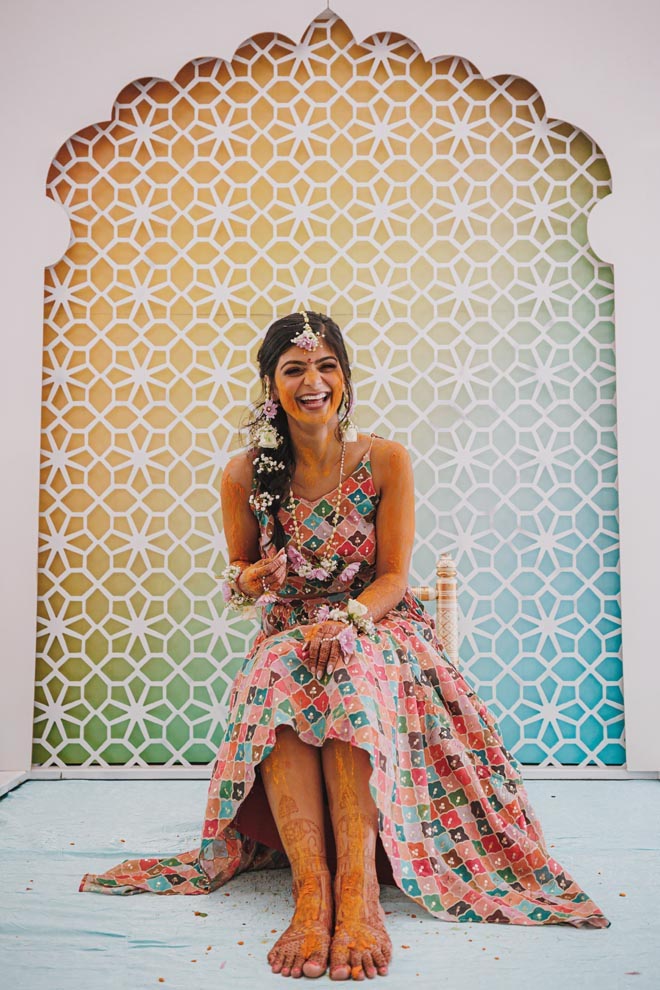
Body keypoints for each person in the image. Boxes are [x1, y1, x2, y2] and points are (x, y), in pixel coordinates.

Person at [80, 310, 611, 980]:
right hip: (292, 634)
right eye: (295, 368)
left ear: (345, 379)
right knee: (283, 664)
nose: (313, 380)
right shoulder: (245, 475)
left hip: (379, 627)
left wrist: (351, 620)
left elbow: (394, 576)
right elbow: (239, 579)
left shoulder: (385, 460)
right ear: (272, 386)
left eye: (326, 366)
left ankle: (357, 893)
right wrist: (255, 576)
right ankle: (312, 893)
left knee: (347, 670)